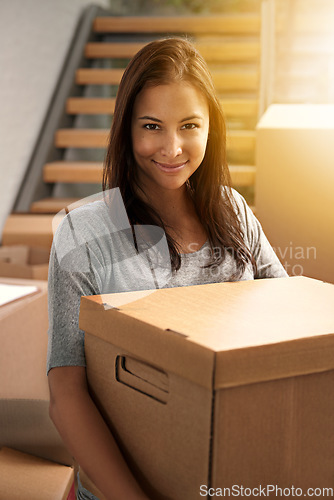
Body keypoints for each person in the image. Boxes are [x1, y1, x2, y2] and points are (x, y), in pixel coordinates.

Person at [47, 38, 288, 500]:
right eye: (152, 126)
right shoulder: (81, 234)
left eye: (190, 126)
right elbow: (66, 391)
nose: (172, 148)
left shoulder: (233, 211)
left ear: (210, 129)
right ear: (126, 129)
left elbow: (291, 315)